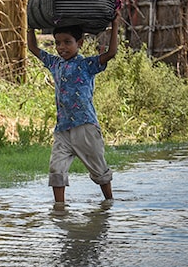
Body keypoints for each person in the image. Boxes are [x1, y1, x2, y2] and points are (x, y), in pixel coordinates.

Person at [27, 10, 120, 203]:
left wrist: (115, 23)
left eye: (67, 42)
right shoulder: (55, 63)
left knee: (100, 170)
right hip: (63, 130)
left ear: (80, 43)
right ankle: (59, 209)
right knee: (56, 170)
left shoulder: (87, 64)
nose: (61, 47)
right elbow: (33, 48)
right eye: (58, 43)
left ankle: (109, 203)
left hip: (85, 126)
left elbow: (111, 53)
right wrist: (31, 24)